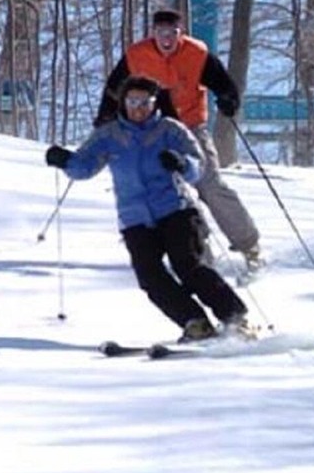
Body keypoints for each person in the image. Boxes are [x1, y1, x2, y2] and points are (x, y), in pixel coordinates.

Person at [46, 76, 255, 341]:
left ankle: (235, 318)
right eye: (133, 101)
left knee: (190, 266)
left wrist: (180, 163)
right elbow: (84, 166)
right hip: (135, 219)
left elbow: (197, 166)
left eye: (146, 102)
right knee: (151, 278)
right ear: (123, 103)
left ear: (155, 103)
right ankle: (196, 323)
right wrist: (65, 160)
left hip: (175, 210)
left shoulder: (170, 130)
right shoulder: (110, 135)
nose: (139, 107)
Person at [95, 8, 262, 271]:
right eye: (161, 33)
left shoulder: (196, 53)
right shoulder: (137, 55)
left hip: (191, 128)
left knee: (210, 184)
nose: (167, 39)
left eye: (173, 33)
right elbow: (115, 89)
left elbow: (222, 82)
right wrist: (105, 116)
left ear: (180, 33)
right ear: (153, 33)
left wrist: (228, 98)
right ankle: (200, 254)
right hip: (154, 134)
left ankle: (249, 244)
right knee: (176, 196)